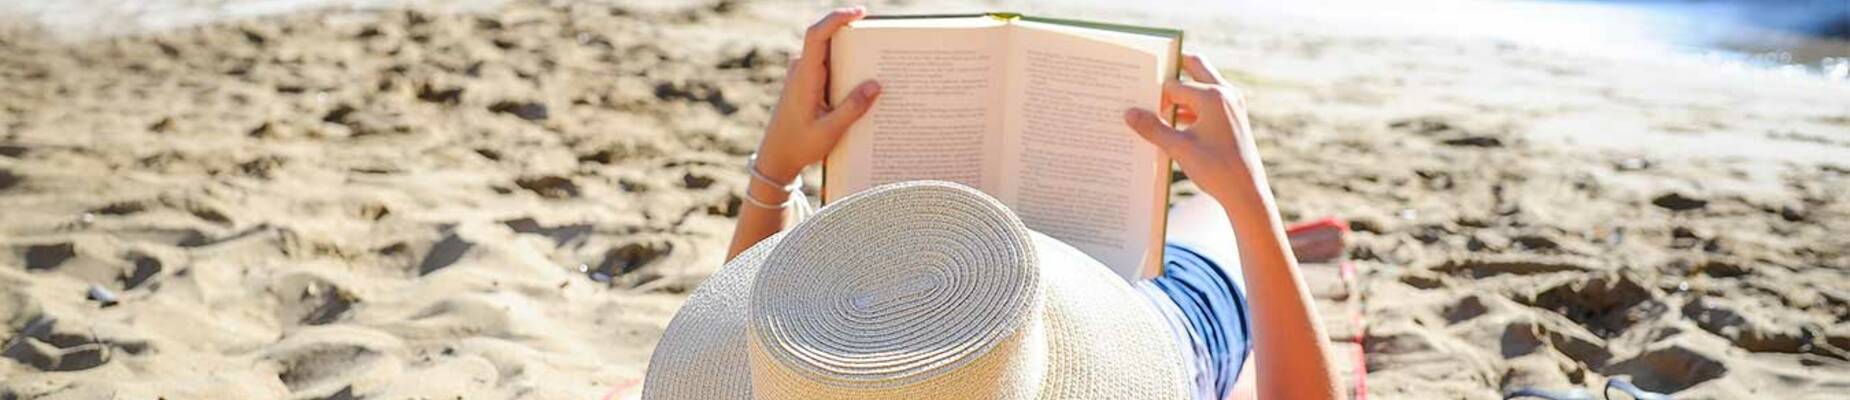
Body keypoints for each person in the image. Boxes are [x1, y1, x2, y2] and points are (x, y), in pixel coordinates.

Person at [648, 7, 1343, 400]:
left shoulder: (813, 369)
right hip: (1159, 316)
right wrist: (1249, 201)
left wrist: (776, 169)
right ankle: (1262, 236)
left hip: (975, 286)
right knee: (1212, 222)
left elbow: (748, 316)